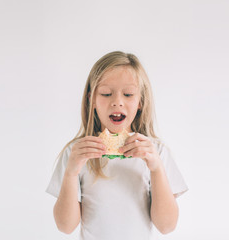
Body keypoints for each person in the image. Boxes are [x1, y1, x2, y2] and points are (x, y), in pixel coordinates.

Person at [46, 51, 189, 240]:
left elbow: (167, 226)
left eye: (128, 94)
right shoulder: (77, 153)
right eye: (106, 93)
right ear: (92, 100)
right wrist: (71, 171)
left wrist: (156, 169)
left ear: (140, 102)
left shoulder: (156, 152)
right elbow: (65, 226)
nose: (117, 102)